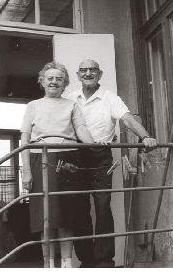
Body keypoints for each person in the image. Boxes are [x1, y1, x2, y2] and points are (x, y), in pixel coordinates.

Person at [67, 59, 157, 268]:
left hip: (100, 156)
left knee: (102, 206)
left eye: (93, 70)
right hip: (76, 155)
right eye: (84, 70)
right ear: (78, 75)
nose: (88, 73)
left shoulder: (110, 98)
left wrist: (145, 137)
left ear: (100, 74)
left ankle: (104, 261)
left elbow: (128, 120)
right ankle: (86, 261)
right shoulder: (70, 98)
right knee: (79, 208)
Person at [20, 61, 96, 268]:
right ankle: (48, 264)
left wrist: (95, 145)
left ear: (65, 84)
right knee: (46, 215)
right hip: (40, 158)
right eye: (50, 78)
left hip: (69, 158)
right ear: (42, 82)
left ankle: (66, 263)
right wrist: (26, 172)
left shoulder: (71, 105)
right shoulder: (33, 106)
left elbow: (80, 129)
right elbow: (25, 140)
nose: (54, 82)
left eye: (59, 79)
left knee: (67, 214)